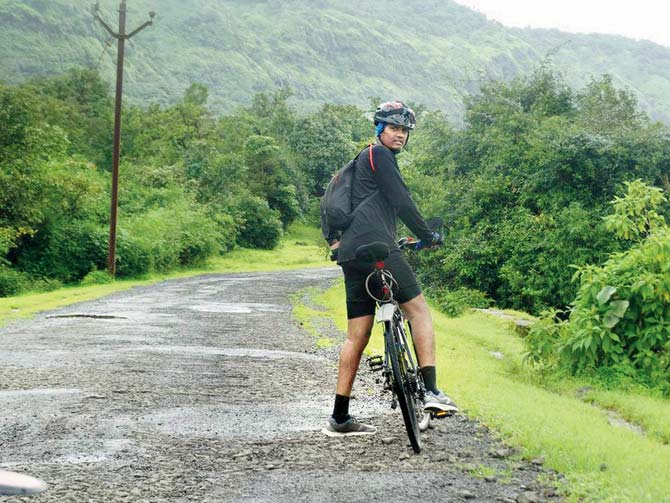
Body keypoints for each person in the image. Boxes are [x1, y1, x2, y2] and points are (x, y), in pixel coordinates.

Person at [322, 100, 459, 437]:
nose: (399, 135)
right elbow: (401, 201)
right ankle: (431, 391)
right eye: (394, 128)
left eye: (404, 130)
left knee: (357, 335)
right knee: (419, 311)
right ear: (379, 129)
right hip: (377, 247)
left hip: (350, 255)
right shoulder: (380, 156)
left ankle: (340, 417)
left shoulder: (356, 167)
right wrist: (428, 236)